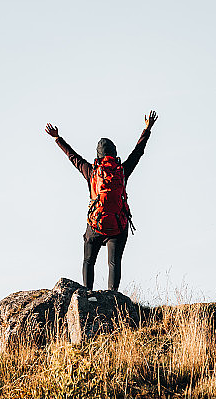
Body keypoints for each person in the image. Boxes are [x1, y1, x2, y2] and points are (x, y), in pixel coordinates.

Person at [45, 111, 157, 292]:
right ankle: (113, 295)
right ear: (114, 154)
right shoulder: (121, 171)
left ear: (98, 155)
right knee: (114, 262)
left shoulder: (91, 172)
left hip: (95, 225)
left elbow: (73, 157)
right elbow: (138, 152)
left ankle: (87, 294)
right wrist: (147, 129)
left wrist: (57, 138)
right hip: (118, 225)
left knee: (89, 260)